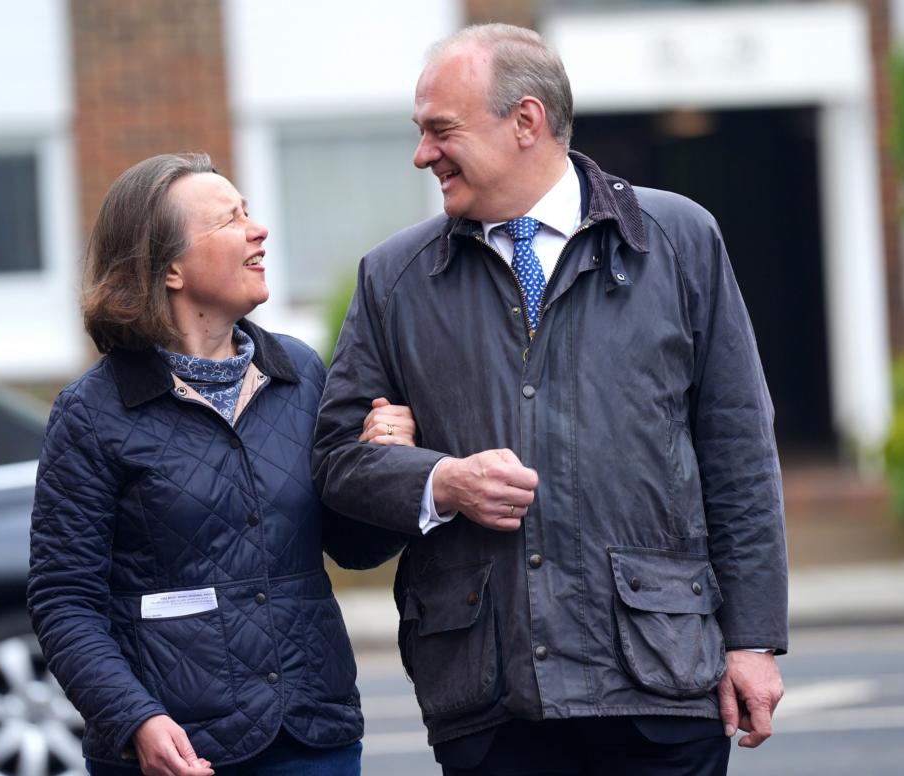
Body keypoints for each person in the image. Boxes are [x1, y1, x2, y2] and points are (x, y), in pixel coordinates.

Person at [313, 24, 788, 775]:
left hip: (657, 682)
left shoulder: (678, 240)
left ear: (525, 121)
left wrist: (751, 640)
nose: (421, 153)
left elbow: (737, 450)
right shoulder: (393, 279)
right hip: (490, 696)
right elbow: (336, 465)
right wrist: (439, 482)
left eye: (441, 130)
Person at [28, 153, 416, 776]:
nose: (258, 229)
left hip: (313, 733)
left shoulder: (300, 373)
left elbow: (351, 545)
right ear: (170, 267)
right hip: (176, 748)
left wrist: (385, 471)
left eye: (250, 212)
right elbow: (63, 599)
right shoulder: (91, 413)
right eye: (230, 219)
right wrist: (135, 719)